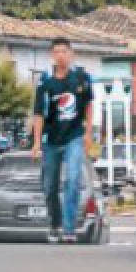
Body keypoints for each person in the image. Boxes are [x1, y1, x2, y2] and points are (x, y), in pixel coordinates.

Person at [31, 37, 94, 244]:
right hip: (51, 140)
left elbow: (88, 106)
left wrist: (88, 134)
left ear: (71, 53)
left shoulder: (82, 77)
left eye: (64, 51)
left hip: (74, 136)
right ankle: (55, 223)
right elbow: (38, 113)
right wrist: (36, 143)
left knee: (73, 179)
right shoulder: (45, 81)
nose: (61, 55)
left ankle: (69, 229)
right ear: (52, 55)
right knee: (49, 186)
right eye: (57, 51)